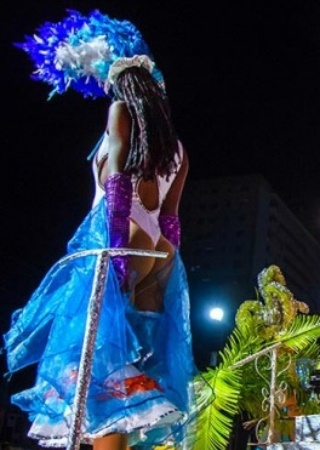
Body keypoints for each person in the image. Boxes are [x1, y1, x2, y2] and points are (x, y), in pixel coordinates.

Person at [4, 10, 196, 449]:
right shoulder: (178, 150)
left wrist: (113, 250)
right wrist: (163, 272)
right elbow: (171, 218)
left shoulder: (119, 112)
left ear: (121, 85)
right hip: (160, 250)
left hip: (121, 234)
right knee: (130, 357)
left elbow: (116, 181)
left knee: (95, 361)